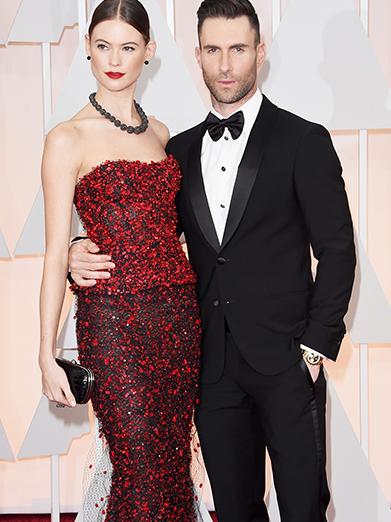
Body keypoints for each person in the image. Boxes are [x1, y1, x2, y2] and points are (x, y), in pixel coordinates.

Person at [69, 0, 356, 521]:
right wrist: (76, 248)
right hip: (209, 368)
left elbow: (337, 251)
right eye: (213, 50)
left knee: (303, 508)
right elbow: (147, 234)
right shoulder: (176, 150)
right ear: (197, 56)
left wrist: (314, 349)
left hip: (288, 362)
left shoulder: (302, 139)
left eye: (238, 49)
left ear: (260, 53)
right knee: (235, 510)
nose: (226, 65)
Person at [38, 0, 203, 520]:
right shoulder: (67, 138)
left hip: (178, 317)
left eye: (128, 47)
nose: (114, 59)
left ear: (148, 53)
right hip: (111, 323)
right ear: (87, 48)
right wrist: (45, 353)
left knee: (173, 464)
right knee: (137, 469)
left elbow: (175, 232)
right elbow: (51, 252)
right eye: (103, 46)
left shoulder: (163, 135)